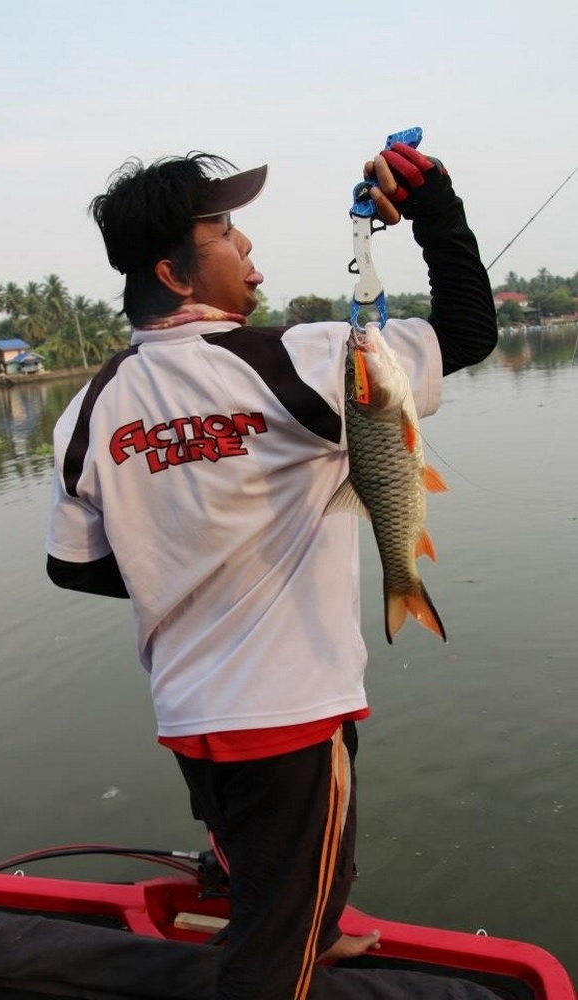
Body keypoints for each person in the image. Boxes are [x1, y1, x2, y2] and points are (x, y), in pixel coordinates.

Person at [45, 144, 497, 999]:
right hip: (289, 715)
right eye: (223, 231)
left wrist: (185, 572)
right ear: (176, 274)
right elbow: (470, 332)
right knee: (270, 953)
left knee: (266, 877)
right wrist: (435, 203)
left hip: (189, 715)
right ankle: (292, 950)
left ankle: (309, 933)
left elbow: (72, 568)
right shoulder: (301, 358)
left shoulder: (87, 408)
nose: (248, 250)